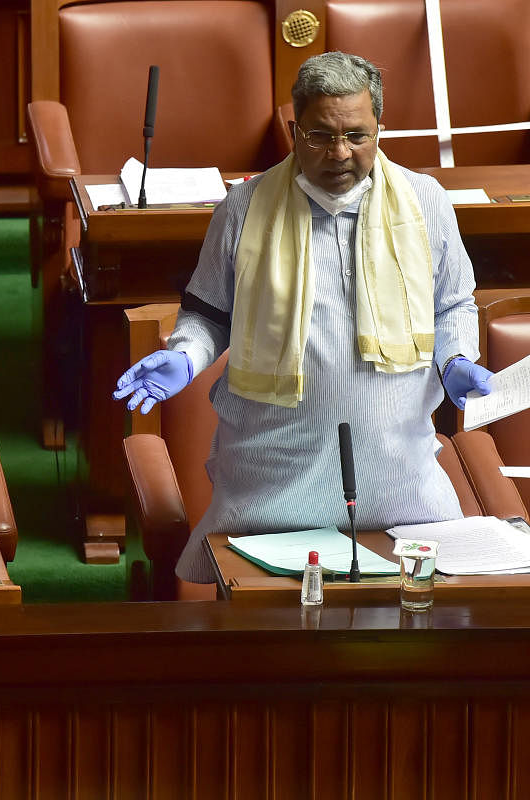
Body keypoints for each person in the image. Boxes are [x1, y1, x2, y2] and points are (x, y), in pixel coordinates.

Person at [113, 52, 493, 583]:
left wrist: (454, 360)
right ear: (295, 130)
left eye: (357, 135)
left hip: (403, 483)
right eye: (320, 136)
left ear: (380, 128)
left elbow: (452, 303)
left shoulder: (425, 201)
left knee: (430, 630)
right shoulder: (244, 208)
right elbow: (207, 314)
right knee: (263, 636)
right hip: (269, 486)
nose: (339, 153)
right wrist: (185, 354)